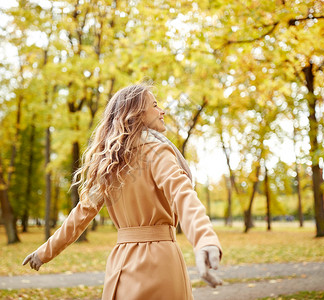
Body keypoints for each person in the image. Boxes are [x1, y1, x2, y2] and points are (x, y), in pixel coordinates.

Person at [23, 83, 223, 299]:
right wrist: (205, 239)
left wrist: (44, 252)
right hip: (159, 263)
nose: (161, 110)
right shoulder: (156, 150)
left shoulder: (110, 163)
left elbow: (81, 214)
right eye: (154, 105)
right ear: (136, 114)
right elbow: (183, 195)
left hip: (121, 263)